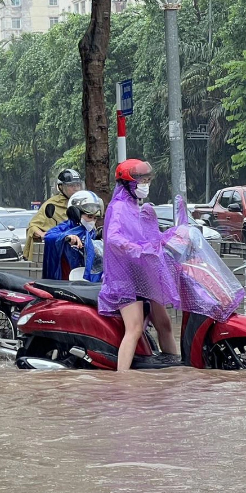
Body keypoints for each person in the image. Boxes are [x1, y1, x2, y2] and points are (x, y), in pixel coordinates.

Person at [99, 158, 180, 372]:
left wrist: (171, 239)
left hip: (144, 273)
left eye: (147, 180)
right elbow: (113, 238)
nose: (146, 184)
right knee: (134, 328)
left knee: (164, 324)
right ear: (129, 183)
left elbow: (149, 237)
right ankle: (123, 379)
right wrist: (136, 249)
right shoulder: (118, 207)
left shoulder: (137, 207)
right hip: (124, 277)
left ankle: (174, 371)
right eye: (142, 180)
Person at [42, 190, 104, 282]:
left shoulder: (91, 232)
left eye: (95, 218)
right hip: (65, 276)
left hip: (84, 276)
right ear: (75, 213)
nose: (92, 221)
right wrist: (66, 237)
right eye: (89, 217)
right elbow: (49, 236)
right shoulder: (65, 227)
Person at [25, 168, 84, 262]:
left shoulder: (84, 202)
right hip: (58, 252)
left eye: (78, 185)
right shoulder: (52, 204)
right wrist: (42, 234)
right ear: (61, 187)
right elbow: (33, 226)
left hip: (81, 250)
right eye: (71, 185)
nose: (76, 188)